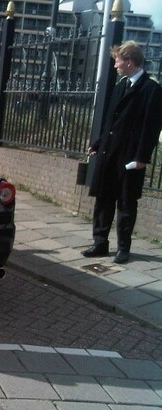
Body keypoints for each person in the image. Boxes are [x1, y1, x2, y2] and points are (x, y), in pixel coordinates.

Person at [82, 40, 162, 264]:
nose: (115, 66)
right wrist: (98, 143)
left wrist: (141, 158)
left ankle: (123, 249)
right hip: (110, 154)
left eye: (117, 61)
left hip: (130, 158)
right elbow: (111, 122)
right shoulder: (120, 86)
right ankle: (100, 243)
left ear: (129, 61)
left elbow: (151, 127)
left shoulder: (151, 89)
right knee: (103, 201)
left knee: (126, 204)